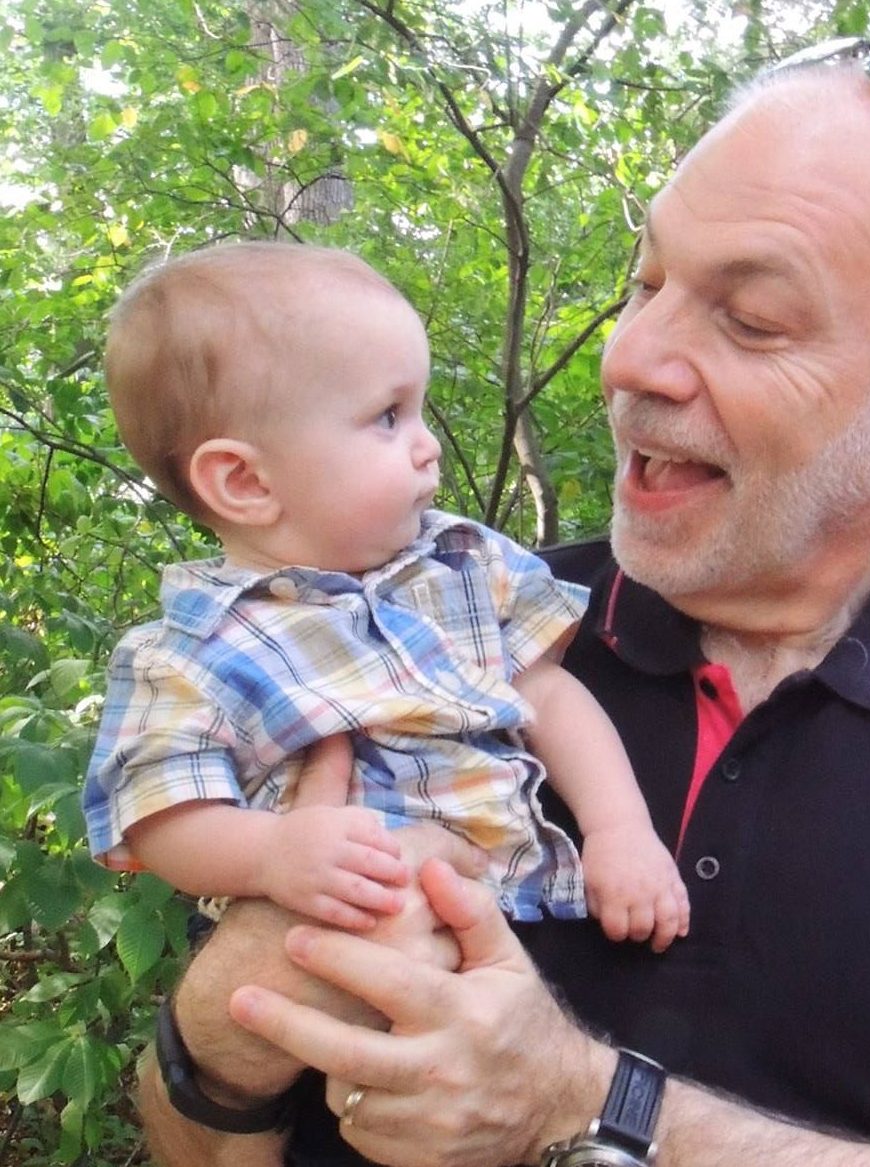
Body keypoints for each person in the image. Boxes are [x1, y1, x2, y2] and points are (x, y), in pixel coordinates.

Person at [137, 39, 870, 1167]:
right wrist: (238, 1007)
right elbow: (198, 1144)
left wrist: (582, 1103)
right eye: (647, 283)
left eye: (753, 319)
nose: (633, 358)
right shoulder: (419, 629)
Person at [83, 242, 689, 1163]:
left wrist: (619, 832)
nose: (426, 441)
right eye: (385, 416)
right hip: (357, 988)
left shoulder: (462, 562)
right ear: (244, 481)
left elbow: (547, 693)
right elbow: (159, 811)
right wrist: (275, 851)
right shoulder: (196, 649)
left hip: (532, 932)